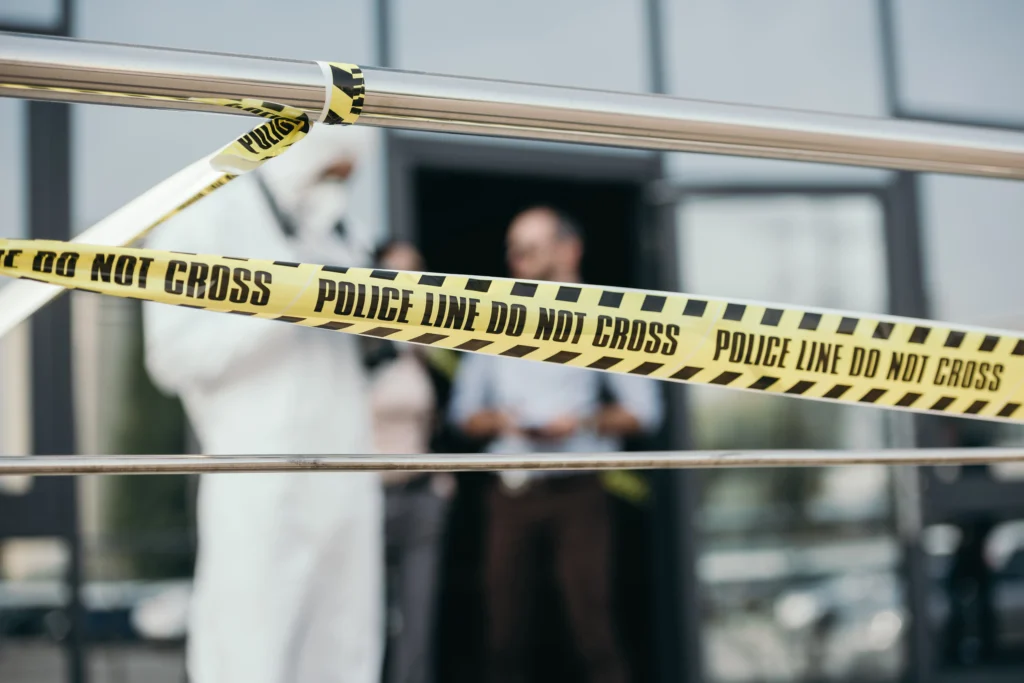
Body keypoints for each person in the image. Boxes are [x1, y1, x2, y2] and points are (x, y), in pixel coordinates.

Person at [142, 125, 383, 683]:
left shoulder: (341, 231)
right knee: (251, 648)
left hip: (349, 479)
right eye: (334, 168)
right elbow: (171, 356)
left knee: (347, 648)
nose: (341, 184)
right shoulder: (203, 216)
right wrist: (285, 303)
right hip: (260, 482)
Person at [448, 207, 663, 683]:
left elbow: (644, 410)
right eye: (513, 246)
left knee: (592, 629)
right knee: (503, 634)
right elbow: (463, 414)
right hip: (512, 492)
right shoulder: (493, 316)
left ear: (569, 249)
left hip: (579, 493)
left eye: (530, 246)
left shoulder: (606, 315)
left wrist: (581, 422)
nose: (516, 256)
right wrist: (505, 421)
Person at [364, 239, 457, 683]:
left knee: (419, 622)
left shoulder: (430, 348)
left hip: (421, 494)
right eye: (392, 273)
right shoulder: (354, 348)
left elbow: (450, 413)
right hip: (366, 497)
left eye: (414, 272)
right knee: (363, 621)